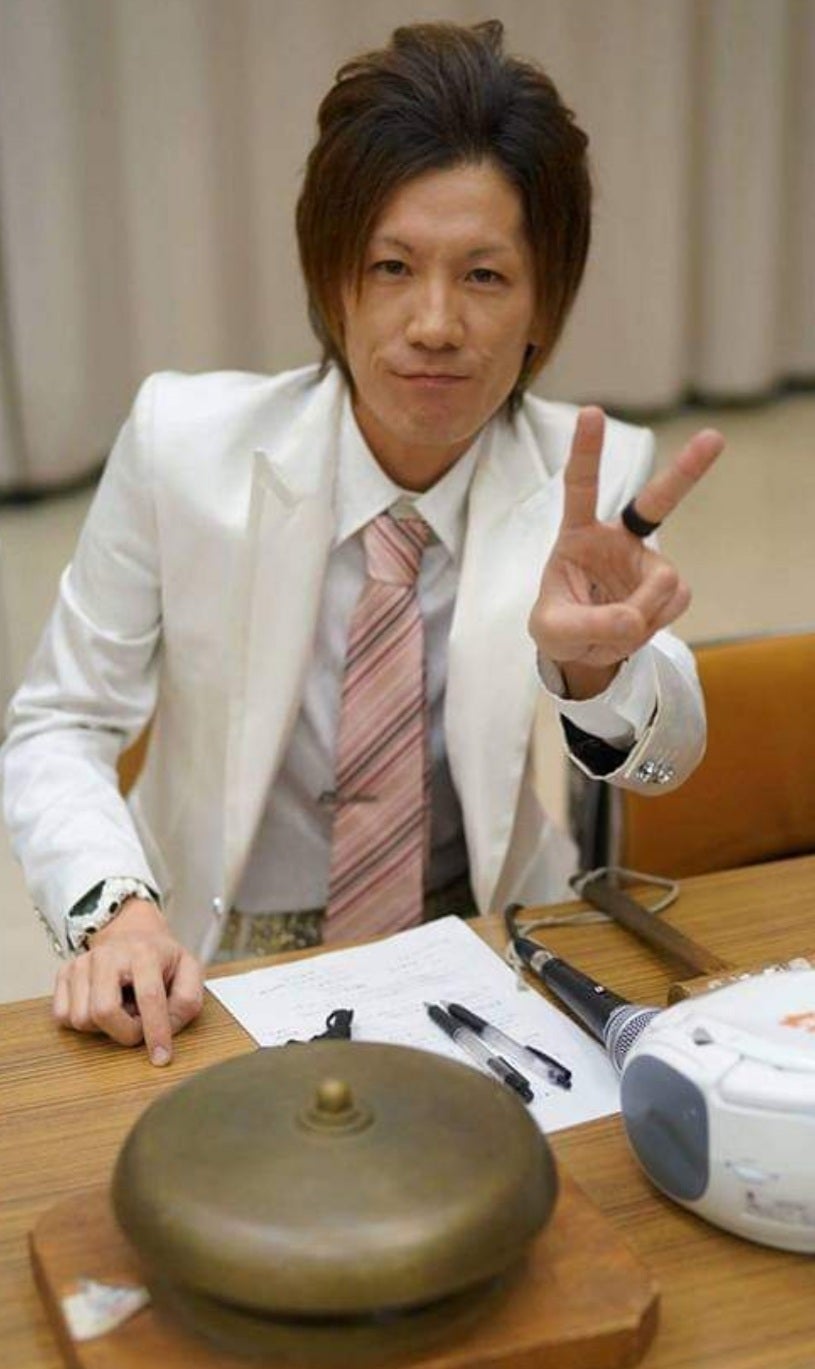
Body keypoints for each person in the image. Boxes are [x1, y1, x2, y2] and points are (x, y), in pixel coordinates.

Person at [1, 20, 723, 1066]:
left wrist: (592, 669)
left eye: (484, 276)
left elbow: (666, 759)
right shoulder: (181, 447)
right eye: (391, 266)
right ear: (331, 283)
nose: (434, 323)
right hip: (211, 959)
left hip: (481, 950)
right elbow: (60, 724)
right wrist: (116, 913)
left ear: (543, 307)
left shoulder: (591, 476)